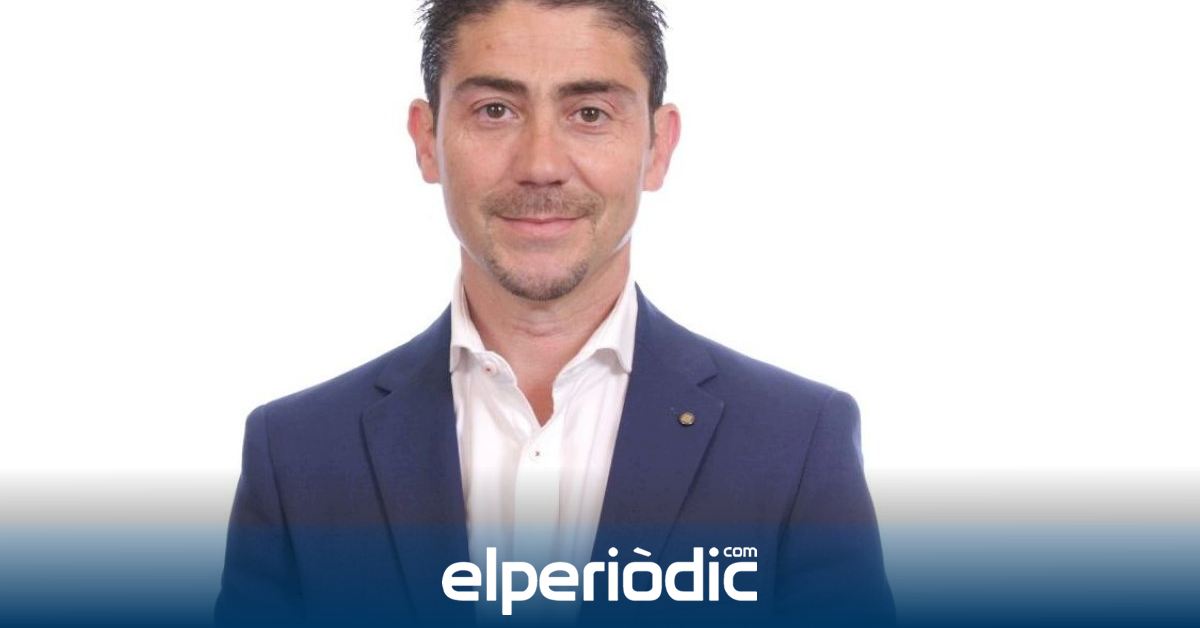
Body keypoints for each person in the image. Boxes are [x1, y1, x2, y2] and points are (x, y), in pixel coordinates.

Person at [215, 1, 894, 626]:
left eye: (590, 113)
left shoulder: (796, 445)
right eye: (495, 111)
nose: (541, 165)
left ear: (658, 147)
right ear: (427, 140)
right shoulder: (297, 456)